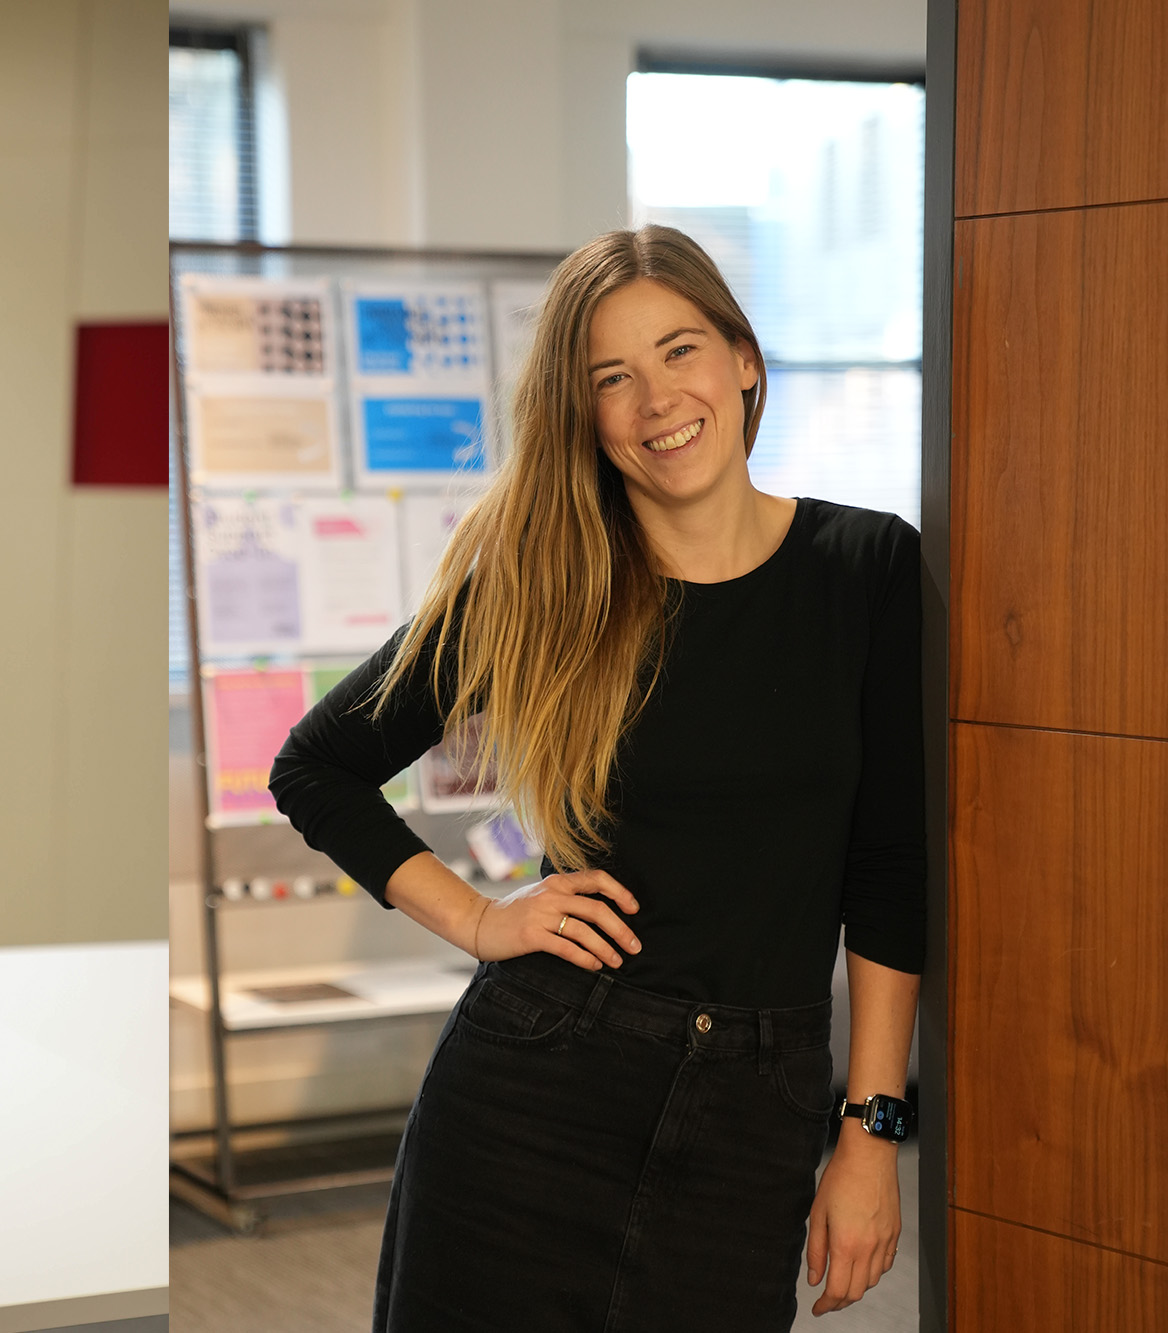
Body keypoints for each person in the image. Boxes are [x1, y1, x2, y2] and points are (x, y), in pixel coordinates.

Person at [269, 225, 923, 1331]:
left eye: (679, 351)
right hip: (533, 1095)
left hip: (754, 1109)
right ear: (582, 414)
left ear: (743, 359)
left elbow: (888, 870)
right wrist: (479, 918)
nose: (656, 399)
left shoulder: (866, 570)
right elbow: (316, 765)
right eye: (610, 377)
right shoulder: (542, 585)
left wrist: (869, 1133)